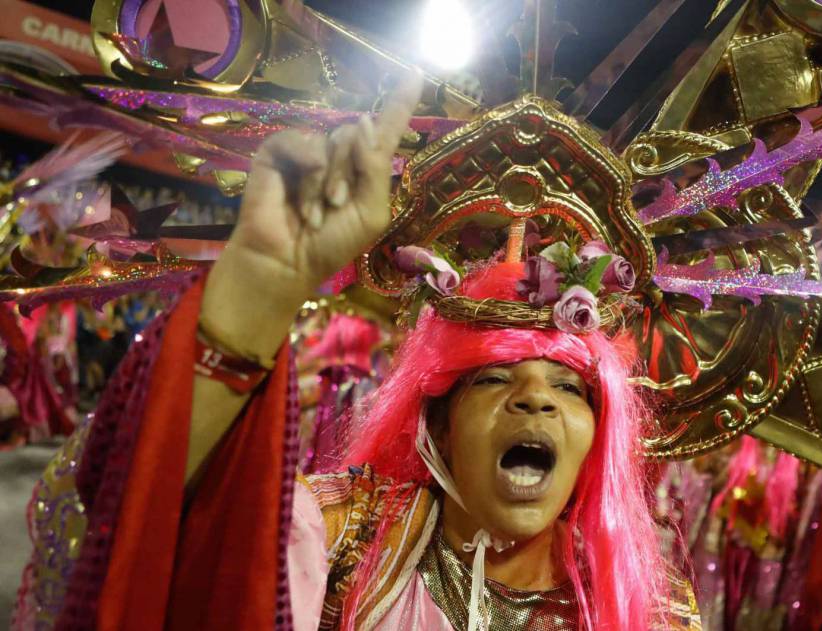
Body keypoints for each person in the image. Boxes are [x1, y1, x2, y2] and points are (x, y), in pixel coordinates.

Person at [14, 73, 700, 631]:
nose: (535, 399)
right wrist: (253, 301)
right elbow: (141, 528)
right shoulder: (342, 537)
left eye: (569, 387)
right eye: (493, 379)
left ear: (599, 433)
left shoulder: (647, 603)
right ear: (438, 425)